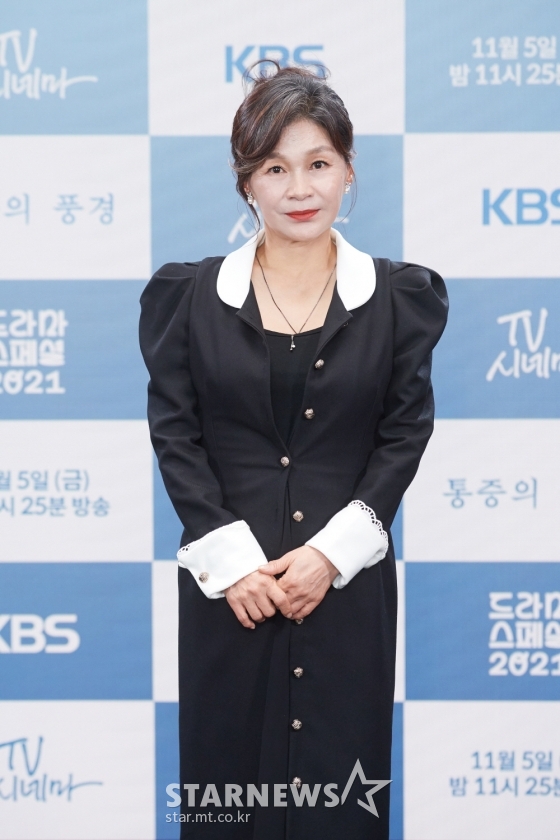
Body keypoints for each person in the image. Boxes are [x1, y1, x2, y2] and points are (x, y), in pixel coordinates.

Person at [139, 62, 448, 840]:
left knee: (340, 806)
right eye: (275, 169)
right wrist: (230, 562)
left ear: (349, 169)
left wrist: (331, 555)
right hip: (230, 595)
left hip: (344, 589)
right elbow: (175, 431)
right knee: (228, 805)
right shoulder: (190, 297)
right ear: (246, 181)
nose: (299, 188)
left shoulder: (398, 297)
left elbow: (404, 433)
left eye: (318, 163)